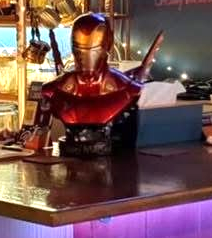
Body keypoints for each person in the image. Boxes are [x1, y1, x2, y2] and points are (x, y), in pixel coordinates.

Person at [23, 13, 161, 152]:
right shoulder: (53, 90)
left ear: (108, 45)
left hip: (113, 166)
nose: (85, 57)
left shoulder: (128, 90)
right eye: (79, 49)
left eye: (93, 49)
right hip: (70, 162)